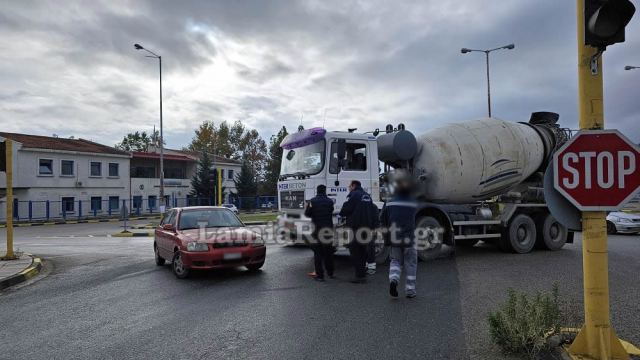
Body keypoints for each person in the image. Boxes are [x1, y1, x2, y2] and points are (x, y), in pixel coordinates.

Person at [380, 172, 418, 298]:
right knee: (411, 263)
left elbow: (383, 219)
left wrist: (387, 238)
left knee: (395, 261)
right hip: (409, 239)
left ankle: (394, 280)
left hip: (394, 238)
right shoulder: (412, 202)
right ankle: (410, 291)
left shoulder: (389, 202)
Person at [339, 180, 379, 283]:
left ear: (354, 186)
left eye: (349, 186)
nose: (349, 188)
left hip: (356, 228)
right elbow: (373, 211)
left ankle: (359, 276)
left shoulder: (354, 195)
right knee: (362, 250)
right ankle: (362, 273)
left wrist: (344, 206)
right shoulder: (367, 196)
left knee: (355, 252)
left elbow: (345, 210)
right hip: (367, 228)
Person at [304, 184, 335, 282]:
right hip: (328, 230)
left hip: (316, 230)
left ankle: (320, 275)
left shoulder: (312, 201)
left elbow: (307, 214)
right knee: (328, 253)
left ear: (317, 191)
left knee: (318, 253)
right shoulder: (330, 201)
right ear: (325, 191)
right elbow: (331, 211)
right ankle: (330, 272)